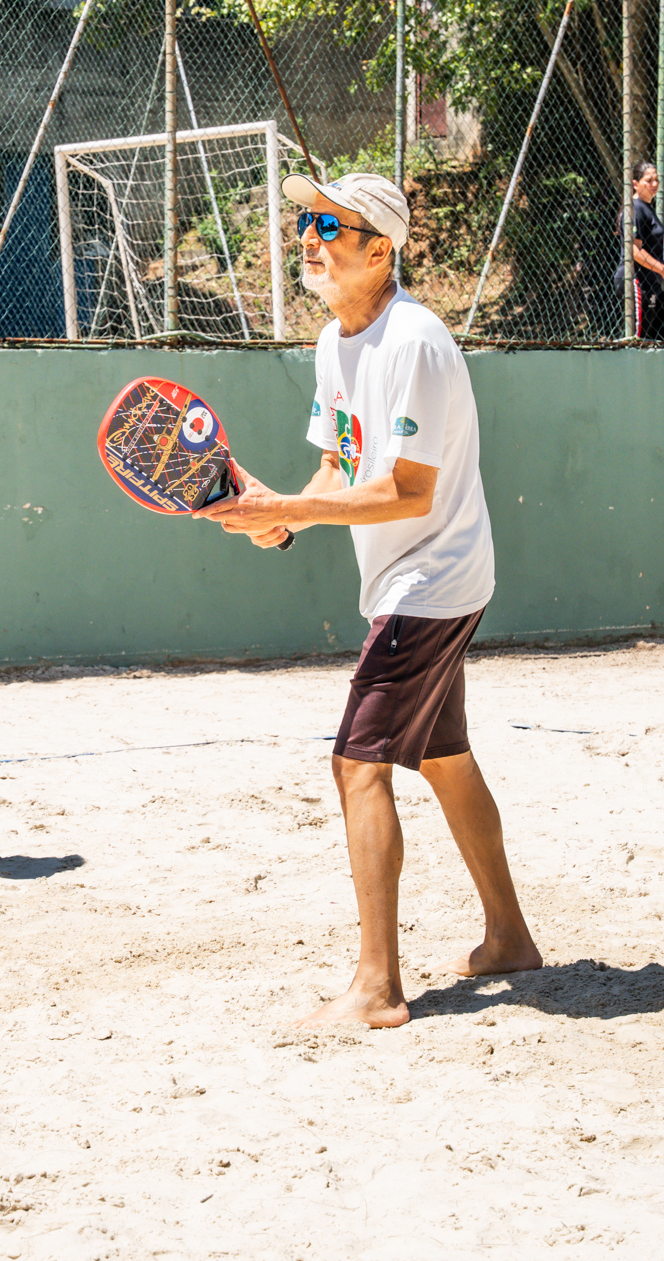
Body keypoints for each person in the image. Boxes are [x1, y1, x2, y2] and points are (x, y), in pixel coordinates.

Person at [195, 172, 541, 1028]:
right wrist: (281, 515)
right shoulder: (333, 342)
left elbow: (409, 491)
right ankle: (509, 938)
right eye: (305, 221)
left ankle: (378, 987)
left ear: (380, 249)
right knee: (445, 757)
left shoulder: (416, 341)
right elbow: (338, 468)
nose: (307, 236)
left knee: (358, 764)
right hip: (419, 579)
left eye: (329, 224)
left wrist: (293, 508)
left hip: (433, 579)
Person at [628, 160, 664, 341]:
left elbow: (651, 247)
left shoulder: (647, 208)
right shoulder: (635, 208)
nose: (654, 184)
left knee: (663, 338)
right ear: (635, 184)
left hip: (653, 284)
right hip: (639, 283)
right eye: (648, 180)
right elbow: (635, 251)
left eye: (656, 180)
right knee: (640, 340)